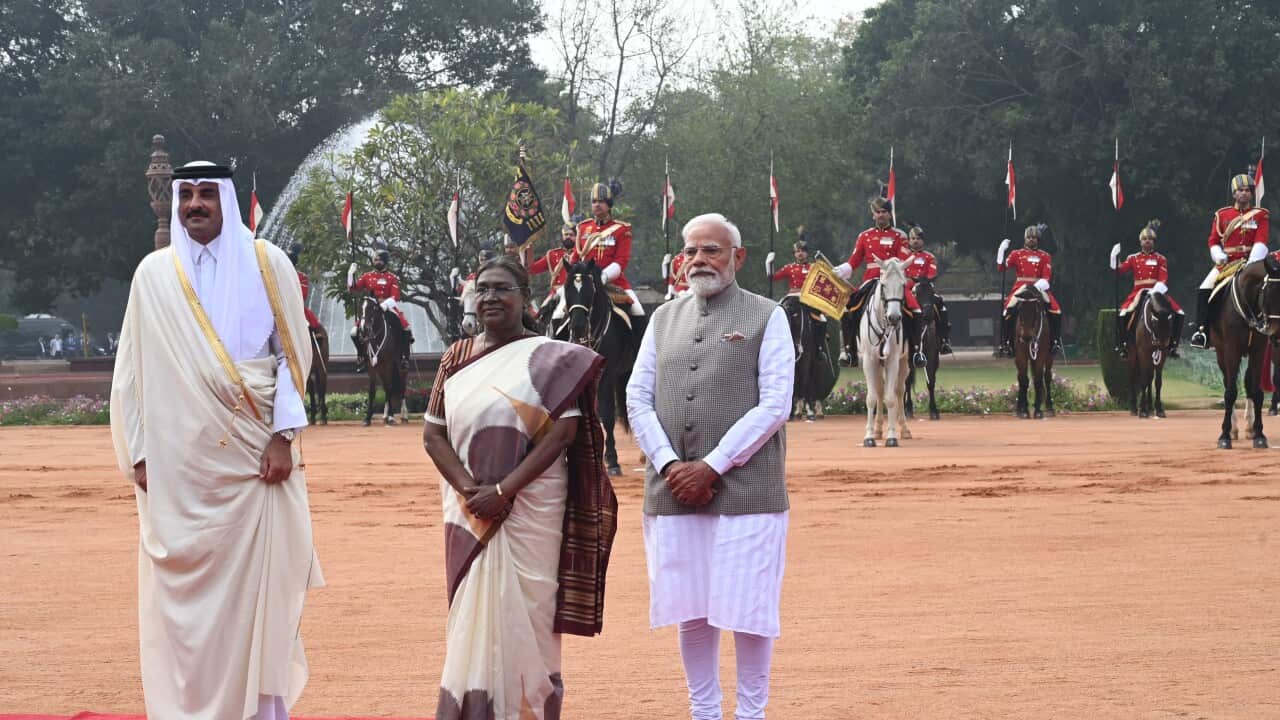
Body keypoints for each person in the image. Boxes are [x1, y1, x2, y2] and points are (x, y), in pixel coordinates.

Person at [109, 161, 322, 720]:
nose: (194, 205)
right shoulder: (153, 275)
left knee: (254, 596)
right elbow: (130, 371)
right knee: (185, 603)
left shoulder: (265, 262)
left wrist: (283, 437)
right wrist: (139, 451)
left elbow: (290, 358)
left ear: (226, 199)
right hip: (178, 467)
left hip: (255, 464)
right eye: (187, 195)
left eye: (207, 194)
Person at [423, 255, 618, 720]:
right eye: (483, 288)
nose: (490, 296)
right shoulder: (455, 356)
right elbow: (433, 434)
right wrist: (474, 492)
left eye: (502, 288)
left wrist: (505, 490)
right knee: (471, 616)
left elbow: (562, 434)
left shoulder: (551, 358)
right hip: (469, 514)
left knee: (529, 617)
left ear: (525, 299)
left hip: (532, 509)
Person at [626, 213, 794, 720]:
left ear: (737, 258)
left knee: (748, 609)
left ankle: (750, 715)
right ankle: (704, 713)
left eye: (712, 250)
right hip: (673, 489)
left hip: (749, 491)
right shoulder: (661, 318)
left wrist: (713, 466)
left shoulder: (769, 315)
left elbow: (775, 404)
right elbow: (637, 396)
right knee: (692, 609)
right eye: (691, 251)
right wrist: (671, 464)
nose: (699, 259)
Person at [834, 197, 926, 368]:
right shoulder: (864, 236)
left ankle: (916, 351)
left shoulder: (900, 236)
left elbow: (904, 258)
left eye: (884, 212)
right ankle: (849, 350)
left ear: (889, 214)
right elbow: (855, 260)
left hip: (893, 283)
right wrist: (844, 268)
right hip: (871, 280)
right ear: (873, 215)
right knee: (848, 309)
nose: (881, 215)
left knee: (916, 310)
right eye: (878, 212)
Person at [1189, 173, 1270, 349]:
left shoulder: (1261, 215)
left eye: (1248, 190)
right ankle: (1202, 331)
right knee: (1204, 288)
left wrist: (1253, 262)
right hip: (1227, 264)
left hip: (1252, 263)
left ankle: (1272, 327)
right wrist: (1218, 254)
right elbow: (1213, 240)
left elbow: (1261, 241)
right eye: (1240, 190)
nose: (1244, 194)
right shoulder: (1222, 215)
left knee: (1272, 286)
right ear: (1234, 193)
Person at [572, 180, 646, 320]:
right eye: (594, 201)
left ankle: (638, 342)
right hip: (585, 283)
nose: (597, 205)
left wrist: (603, 277)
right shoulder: (583, 228)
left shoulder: (621, 229)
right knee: (559, 313)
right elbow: (576, 258)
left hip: (614, 282)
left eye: (601, 201)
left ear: (609, 204)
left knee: (638, 311)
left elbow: (621, 261)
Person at [1111, 220, 1184, 359]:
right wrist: (1114, 257)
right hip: (1138, 292)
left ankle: (1173, 345)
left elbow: (1163, 279)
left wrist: (1155, 291)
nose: (1147, 241)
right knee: (1122, 314)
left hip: (1157, 292)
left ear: (1154, 242)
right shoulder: (1133, 258)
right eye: (1144, 239)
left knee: (1179, 312)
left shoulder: (1161, 259)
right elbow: (1119, 270)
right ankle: (1123, 345)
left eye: (1150, 239)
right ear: (1140, 242)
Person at [996, 224, 1063, 357]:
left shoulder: (1045, 256)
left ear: (1038, 240)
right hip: (1020, 286)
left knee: (1056, 310)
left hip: (1038, 286)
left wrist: (1037, 287)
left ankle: (1055, 341)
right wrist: (1001, 251)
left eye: (1034, 237)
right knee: (1007, 310)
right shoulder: (1016, 254)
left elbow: (1046, 277)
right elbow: (1002, 268)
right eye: (1029, 237)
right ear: (1025, 239)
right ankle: (1007, 342)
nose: (1031, 240)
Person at [347, 248, 413, 371]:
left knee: (404, 328)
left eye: (378, 259)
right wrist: (350, 274)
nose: (375, 261)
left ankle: (404, 357)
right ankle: (361, 356)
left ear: (384, 261)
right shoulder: (367, 276)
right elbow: (353, 289)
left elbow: (395, 296)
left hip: (387, 306)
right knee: (354, 332)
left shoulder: (391, 277)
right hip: (371, 309)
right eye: (374, 259)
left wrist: (385, 304)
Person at [903, 224, 954, 355]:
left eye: (918, 238)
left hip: (924, 287)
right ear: (909, 240)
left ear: (923, 241)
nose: (915, 241)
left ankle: (944, 340)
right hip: (906, 288)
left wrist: (920, 279)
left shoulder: (929, 257)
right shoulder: (903, 256)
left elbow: (932, 273)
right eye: (913, 238)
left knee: (941, 304)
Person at [529, 223, 576, 317]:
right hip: (556, 293)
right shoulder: (552, 254)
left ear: (576, 237)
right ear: (562, 236)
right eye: (566, 234)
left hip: (575, 292)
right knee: (540, 315)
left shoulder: (581, 253)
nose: (568, 237)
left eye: (571, 235)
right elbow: (532, 269)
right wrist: (528, 247)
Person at [287, 242, 324, 333]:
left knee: (310, 326)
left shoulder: (301, 277)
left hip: (294, 310)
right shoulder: (276, 273)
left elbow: (301, 296)